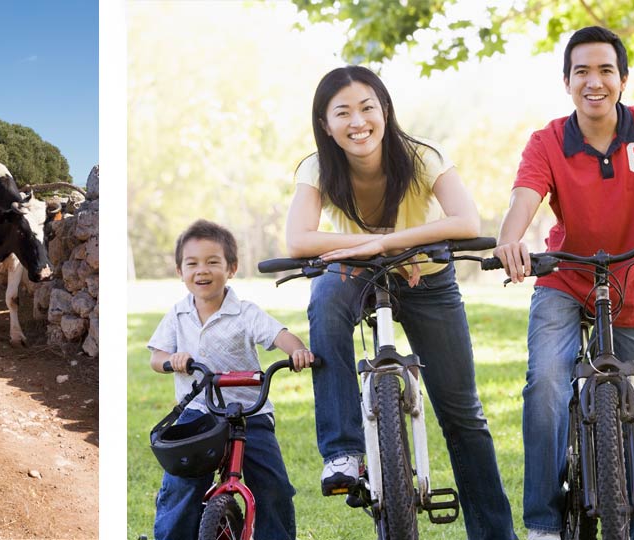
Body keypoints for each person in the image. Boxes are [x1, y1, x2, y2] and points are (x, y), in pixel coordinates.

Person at [490, 25, 634, 540]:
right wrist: (511, 243)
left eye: (606, 71)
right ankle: (545, 523)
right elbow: (522, 201)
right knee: (546, 384)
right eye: (582, 72)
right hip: (564, 279)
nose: (595, 81)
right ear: (567, 82)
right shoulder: (547, 140)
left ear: (624, 79)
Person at [284, 65, 516, 539]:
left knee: (463, 414)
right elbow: (296, 238)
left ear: (385, 111)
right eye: (342, 112)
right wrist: (376, 247)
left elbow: (466, 221)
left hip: (426, 276)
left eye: (368, 107)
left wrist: (386, 243)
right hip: (354, 272)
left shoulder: (422, 156)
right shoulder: (317, 168)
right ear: (325, 124)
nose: (358, 121)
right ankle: (343, 451)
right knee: (325, 295)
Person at [147, 220, 314, 540]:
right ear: (180, 271)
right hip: (198, 412)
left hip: (251, 413)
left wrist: (298, 352)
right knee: (181, 486)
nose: (202, 271)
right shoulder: (178, 314)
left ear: (232, 268)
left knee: (273, 487)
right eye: (192, 263)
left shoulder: (246, 312)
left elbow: (280, 336)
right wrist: (173, 361)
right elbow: (157, 357)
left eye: (213, 262)